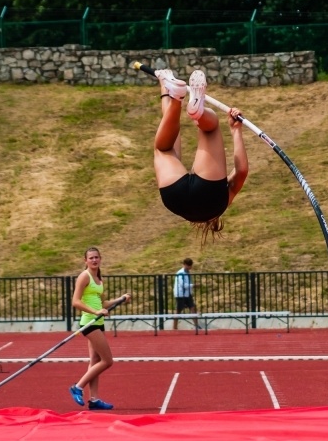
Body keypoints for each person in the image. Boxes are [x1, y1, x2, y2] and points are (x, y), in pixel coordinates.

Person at [153, 68, 249, 241]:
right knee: (164, 149)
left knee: (210, 129)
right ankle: (176, 98)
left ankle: (199, 113)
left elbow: (241, 172)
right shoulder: (190, 211)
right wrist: (164, 85)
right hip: (175, 198)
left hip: (211, 196)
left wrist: (236, 131)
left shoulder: (222, 204)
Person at [68, 247, 131, 410]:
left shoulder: (98, 279)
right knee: (108, 361)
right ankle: (78, 387)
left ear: (100, 259)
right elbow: (75, 302)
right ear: (85, 261)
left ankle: (94, 400)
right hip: (89, 322)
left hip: (98, 322)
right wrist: (95, 311)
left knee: (95, 361)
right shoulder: (84, 276)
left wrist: (120, 299)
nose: (94, 260)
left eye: (96, 257)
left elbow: (102, 304)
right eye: (91, 258)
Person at [172, 258, 199, 330]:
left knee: (193, 308)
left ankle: (196, 326)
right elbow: (183, 285)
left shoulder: (188, 272)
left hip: (187, 294)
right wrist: (193, 285)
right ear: (184, 265)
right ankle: (174, 327)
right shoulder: (180, 273)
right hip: (181, 294)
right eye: (188, 266)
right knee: (178, 310)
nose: (189, 267)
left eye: (190, 266)